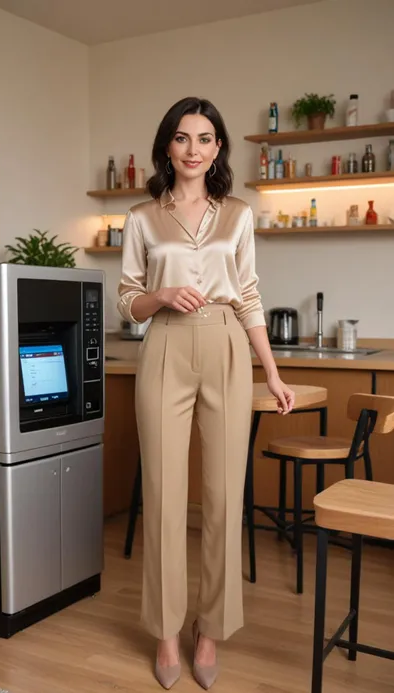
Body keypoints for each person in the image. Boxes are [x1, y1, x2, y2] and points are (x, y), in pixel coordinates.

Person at [117, 96, 295, 690]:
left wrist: (269, 371)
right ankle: (166, 635)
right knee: (166, 497)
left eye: (206, 139)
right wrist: (161, 297)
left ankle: (210, 628)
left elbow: (247, 295)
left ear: (218, 149)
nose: (194, 149)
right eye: (183, 138)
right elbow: (126, 299)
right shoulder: (142, 217)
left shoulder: (238, 214)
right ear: (168, 145)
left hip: (225, 347)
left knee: (223, 496)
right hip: (164, 345)